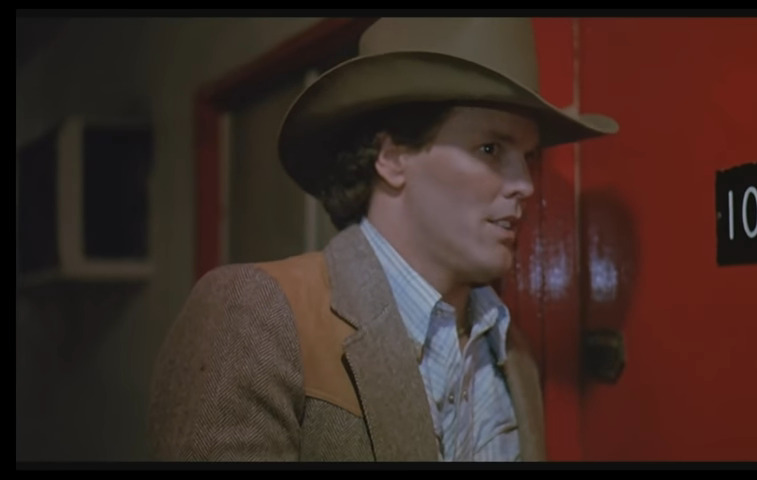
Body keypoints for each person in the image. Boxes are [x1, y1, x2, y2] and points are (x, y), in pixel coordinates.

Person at [147, 17, 618, 462]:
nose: (526, 185)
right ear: (392, 159)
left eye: (529, 157)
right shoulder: (256, 315)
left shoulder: (509, 350)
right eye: (490, 148)